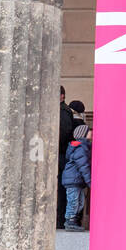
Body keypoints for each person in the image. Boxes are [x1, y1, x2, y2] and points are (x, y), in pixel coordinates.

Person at [61, 122, 92, 231]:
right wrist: (90, 181)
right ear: (83, 134)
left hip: (75, 180)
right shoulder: (80, 148)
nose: (91, 133)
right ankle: (70, 221)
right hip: (73, 180)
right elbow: (83, 166)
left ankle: (73, 220)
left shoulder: (81, 146)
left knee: (80, 201)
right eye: (89, 131)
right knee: (74, 201)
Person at [57, 86, 75, 229]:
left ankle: (59, 220)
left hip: (61, 155)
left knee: (60, 191)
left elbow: (63, 133)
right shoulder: (62, 110)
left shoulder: (63, 111)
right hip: (60, 155)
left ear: (62, 96)